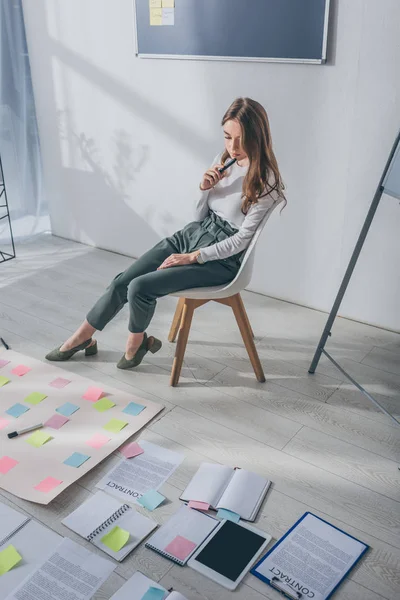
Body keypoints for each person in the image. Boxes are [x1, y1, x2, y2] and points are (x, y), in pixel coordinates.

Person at [45, 97, 286, 369]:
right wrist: (204, 189)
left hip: (223, 259)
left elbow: (242, 241)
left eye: (241, 139)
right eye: (227, 137)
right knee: (122, 282)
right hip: (194, 234)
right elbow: (198, 217)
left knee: (140, 287)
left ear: (258, 136)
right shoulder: (224, 160)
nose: (233, 147)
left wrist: (194, 257)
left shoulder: (267, 181)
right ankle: (83, 337)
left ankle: (134, 346)